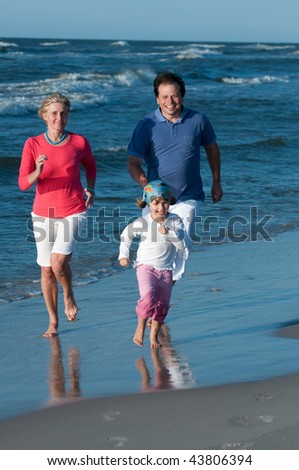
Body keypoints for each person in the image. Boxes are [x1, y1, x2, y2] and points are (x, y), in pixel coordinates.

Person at [127, 71, 223, 275]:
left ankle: (168, 283)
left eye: (174, 96)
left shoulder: (198, 120)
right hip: (156, 199)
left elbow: (212, 148)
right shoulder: (146, 125)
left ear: (182, 96)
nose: (169, 101)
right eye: (164, 96)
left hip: (188, 196)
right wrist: (147, 187)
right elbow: (133, 162)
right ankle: (151, 289)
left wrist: (216, 181)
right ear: (157, 99)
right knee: (150, 247)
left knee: (181, 244)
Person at [18, 92, 97, 338]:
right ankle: (53, 322)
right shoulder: (32, 144)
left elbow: (91, 166)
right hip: (43, 213)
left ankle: (69, 294)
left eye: (63, 113)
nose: (59, 117)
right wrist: (38, 171)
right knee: (46, 270)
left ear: (68, 115)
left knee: (59, 262)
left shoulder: (79, 142)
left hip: (73, 209)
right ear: (44, 116)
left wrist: (90, 188)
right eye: (53, 113)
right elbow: (23, 183)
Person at [118, 180, 187, 349]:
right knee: (148, 298)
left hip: (166, 270)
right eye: (156, 203)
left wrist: (168, 233)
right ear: (148, 203)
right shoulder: (143, 222)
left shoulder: (175, 221)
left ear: (169, 202)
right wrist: (123, 255)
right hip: (145, 267)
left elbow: (180, 244)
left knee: (162, 306)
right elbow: (126, 235)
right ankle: (140, 327)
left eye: (164, 203)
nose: (161, 208)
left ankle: (154, 335)